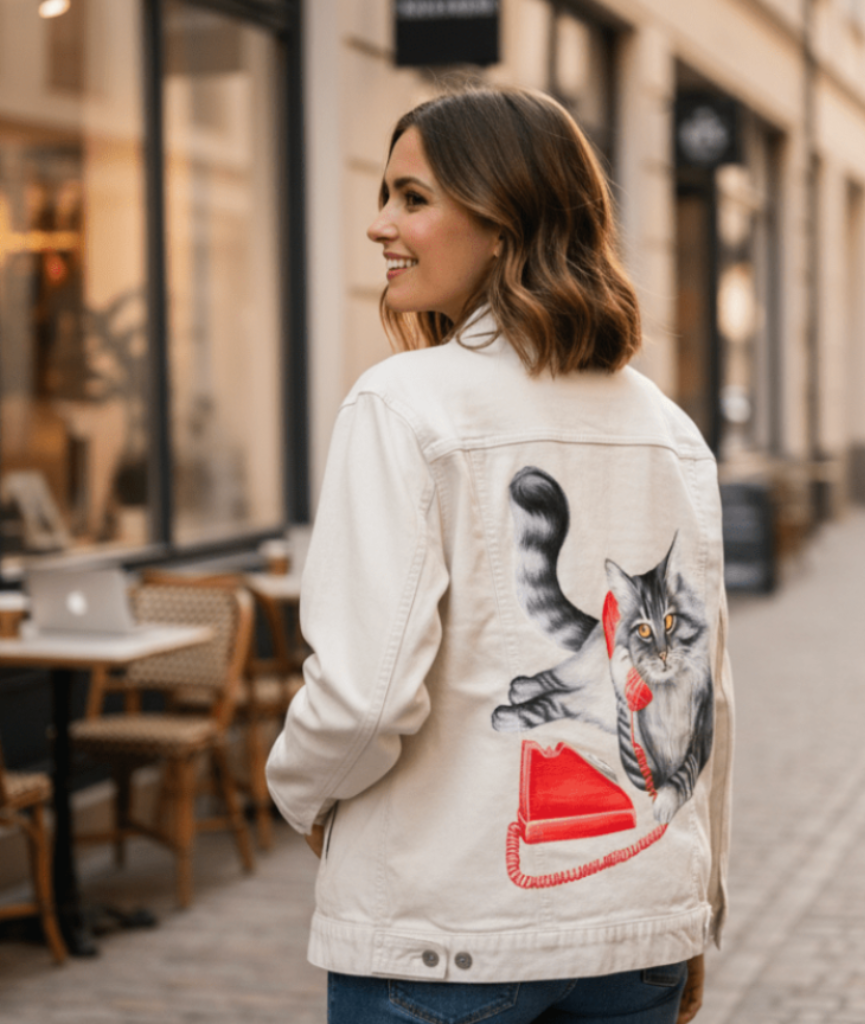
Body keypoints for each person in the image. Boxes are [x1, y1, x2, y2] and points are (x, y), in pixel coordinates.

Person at [266, 85, 735, 1024]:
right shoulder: (670, 430)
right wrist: (696, 903)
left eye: (412, 197)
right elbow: (708, 693)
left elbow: (363, 696)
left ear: (501, 222)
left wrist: (298, 793)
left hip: (446, 941)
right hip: (633, 927)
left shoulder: (404, 404)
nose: (378, 227)